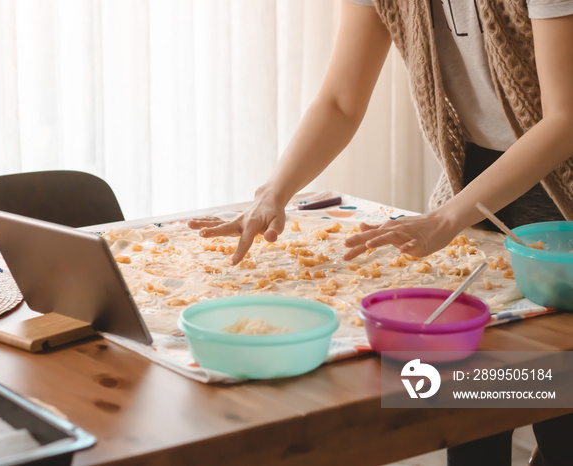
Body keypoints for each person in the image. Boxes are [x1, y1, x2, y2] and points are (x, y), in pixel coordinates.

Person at [188, 1, 573, 465]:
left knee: (558, 404)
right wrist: (274, 192)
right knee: (470, 400)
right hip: (476, 183)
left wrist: (446, 220)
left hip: (558, 195)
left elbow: (563, 119)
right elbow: (340, 101)